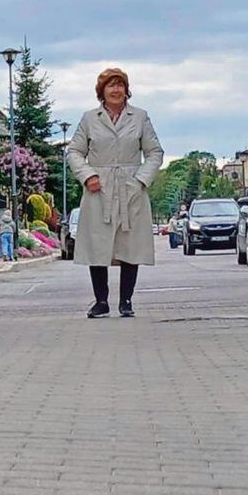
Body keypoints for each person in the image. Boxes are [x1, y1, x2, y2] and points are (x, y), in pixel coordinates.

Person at [66, 68, 164, 319]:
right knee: (98, 244)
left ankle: (126, 300)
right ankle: (101, 301)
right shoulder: (90, 119)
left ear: (126, 89)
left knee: (130, 243)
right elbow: (74, 151)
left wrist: (141, 180)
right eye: (110, 85)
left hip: (131, 188)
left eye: (120, 85)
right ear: (102, 91)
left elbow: (154, 152)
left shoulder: (140, 117)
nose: (116, 90)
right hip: (99, 188)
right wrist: (88, 175)